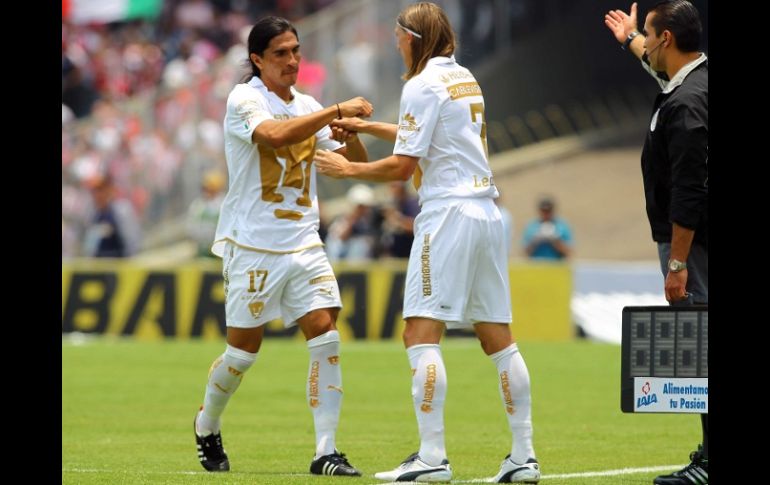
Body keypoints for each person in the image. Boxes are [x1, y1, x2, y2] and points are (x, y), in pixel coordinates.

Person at [314, 3, 540, 482]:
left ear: (412, 38)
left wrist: (348, 167)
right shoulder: (464, 77)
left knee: (419, 333)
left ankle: (432, 459)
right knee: (498, 337)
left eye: (398, 35)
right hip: (485, 211)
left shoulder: (419, 84)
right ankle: (524, 457)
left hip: (447, 214)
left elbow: (401, 167)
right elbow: (428, 137)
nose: (394, 42)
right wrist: (366, 128)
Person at [193, 15, 374, 476]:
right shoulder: (244, 99)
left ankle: (326, 451)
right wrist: (335, 112)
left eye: (295, 50)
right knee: (242, 353)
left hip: (303, 241)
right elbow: (273, 136)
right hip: (254, 245)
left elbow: (355, 162)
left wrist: (349, 137)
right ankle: (206, 423)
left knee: (325, 330)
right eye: (280, 53)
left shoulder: (308, 104)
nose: (292, 60)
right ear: (257, 59)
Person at [605, 2, 708, 485]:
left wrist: (678, 263)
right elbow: (653, 58)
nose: (644, 41)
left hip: (694, 247)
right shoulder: (692, 82)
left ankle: (709, 464)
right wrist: (629, 38)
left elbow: (691, 188)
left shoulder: (685, 103)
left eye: (649, 33)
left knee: (704, 349)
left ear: (667, 38)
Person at [82, 175, 142, 258]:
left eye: (100, 190)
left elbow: (132, 242)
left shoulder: (121, 211)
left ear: (108, 190)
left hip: (120, 266)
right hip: (99, 267)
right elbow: (90, 247)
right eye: (94, 191)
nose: (97, 195)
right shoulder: (94, 216)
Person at [186, 170, 226, 258]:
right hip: (201, 248)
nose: (207, 190)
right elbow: (191, 226)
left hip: (218, 251)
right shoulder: (198, 204)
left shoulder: (223, 205)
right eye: (205, 187)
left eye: (210, 188)